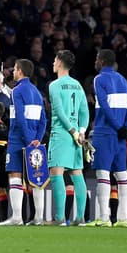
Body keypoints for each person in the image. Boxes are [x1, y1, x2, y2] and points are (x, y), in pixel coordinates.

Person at [0, 59, 47, 226]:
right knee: (37, 178)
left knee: (15, 176)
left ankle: (17, 217)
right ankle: (38, 218)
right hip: (34, 140)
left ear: (19, 71)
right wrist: (37, 140)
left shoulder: (16, 91)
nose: (13, 72)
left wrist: (28, 141)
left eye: (14, 69)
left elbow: (19, 118)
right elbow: (43, 120)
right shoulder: (36, 92)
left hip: (18, 139)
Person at [90, 49, 127, 227]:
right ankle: (123, 219)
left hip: (105, 132)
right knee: (122, 175)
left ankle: (103, 217)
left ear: (101, 61)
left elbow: (104, 106)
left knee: (102, 174)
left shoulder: (99, 79)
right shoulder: (122, 80)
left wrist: (117, 126)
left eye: (96, 59)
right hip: (120, 135)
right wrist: (125, 127)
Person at [48, 50, 89, 227]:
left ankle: (59, 218)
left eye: (54, 60)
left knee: (56, 173)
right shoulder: (78, 85)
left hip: (62, 133)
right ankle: (79, 217)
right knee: (76, 172)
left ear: (59, 62)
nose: (53, 63)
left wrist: (72, 132)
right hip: (77, 136)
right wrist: (81, 131)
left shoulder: (54, 85)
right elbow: (85, 112)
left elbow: (58, 111)